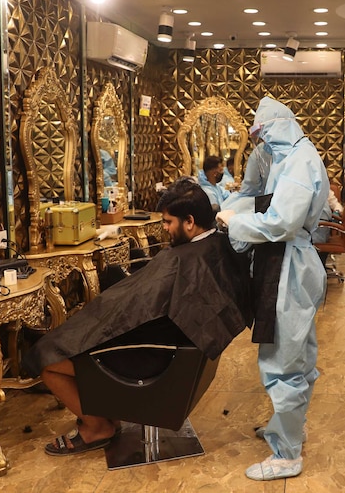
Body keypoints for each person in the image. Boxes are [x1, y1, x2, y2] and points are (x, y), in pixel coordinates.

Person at [23, 178, 250, 456]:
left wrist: (103, 315)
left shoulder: (184, 260)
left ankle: (97, 427)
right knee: (85, 327)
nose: (165, 229)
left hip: (153, 354)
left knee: (47, 358)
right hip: (170, 341)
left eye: (168, 222)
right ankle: (110, 415)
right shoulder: (215, 244)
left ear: (189, 221)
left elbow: (137, 307)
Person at [216, 96, 329, 481]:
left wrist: (234, 224)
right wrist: (234, 208)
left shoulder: (299, 161)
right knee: (297, 355)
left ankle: (287, 455)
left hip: (290, 266)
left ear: (278, 126)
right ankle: (290, 429)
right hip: (287, 263)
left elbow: (280, 223)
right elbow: (257, 195)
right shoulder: (288, 156)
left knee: (285, 362)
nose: (260, 141)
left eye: (262, 133)